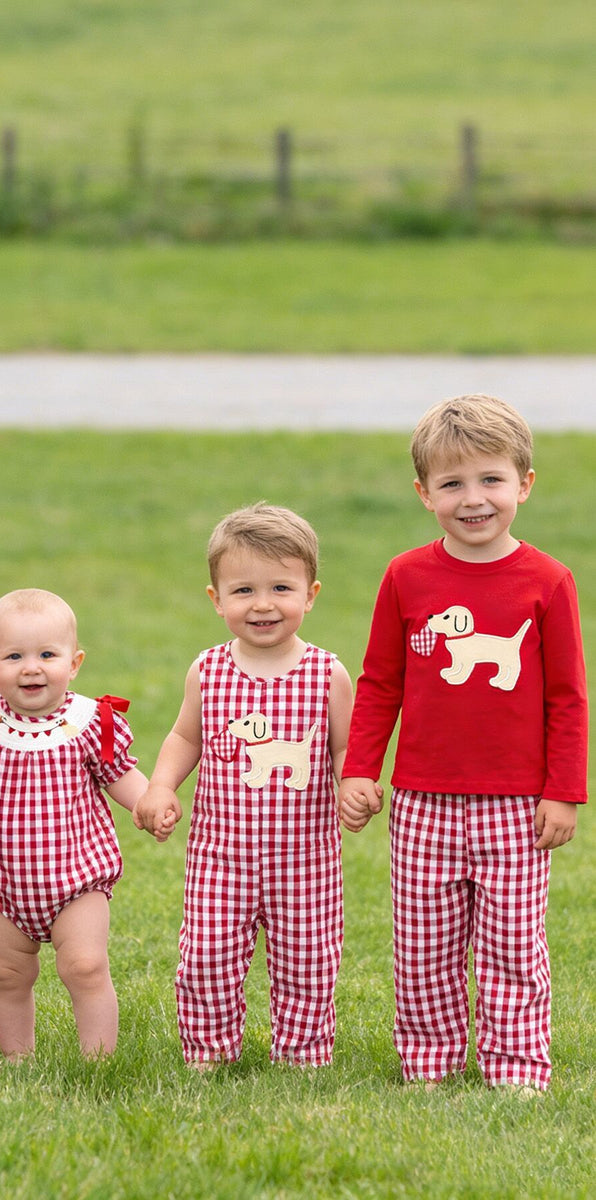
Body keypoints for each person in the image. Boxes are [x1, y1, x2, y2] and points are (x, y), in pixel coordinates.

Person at [339, 394, 588, 1092]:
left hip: (517, 806)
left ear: (524, 484)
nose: (473, 499)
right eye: (452, 484)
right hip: (423, 802)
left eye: (491, 480)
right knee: (423, 947)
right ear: (425, 493)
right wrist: (360, 769)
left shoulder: (549, 581)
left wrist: (564, 791)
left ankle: (516, 1068)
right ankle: (429, 1063)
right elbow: (380, 682)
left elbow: (567, 696)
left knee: (513, 945)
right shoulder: (406, 576)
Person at [134, 503, 354, 1066]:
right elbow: (185, 737)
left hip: (306, 858)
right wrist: (161, 786)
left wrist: (353, 785)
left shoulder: (327, 674)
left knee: (308, 960)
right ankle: (208, 1051)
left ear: (310, 594)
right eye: (243, 590)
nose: (262, 604)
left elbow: (343, 748)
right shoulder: (208, 670)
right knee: (206, 957)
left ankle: (303, 1055)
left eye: (281, 587)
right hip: (221, 855)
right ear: (216, 599)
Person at [0, 588, 150, 1060]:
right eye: (14, 656)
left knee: (85, 966)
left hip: (77, 878)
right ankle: (18, 1059)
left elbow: (120, 775)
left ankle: (98, 1061)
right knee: (8, 973)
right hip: (3, 882)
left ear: (74, 663)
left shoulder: (88, 722)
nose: (31, 668)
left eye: (47, 655)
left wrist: (149, 804)